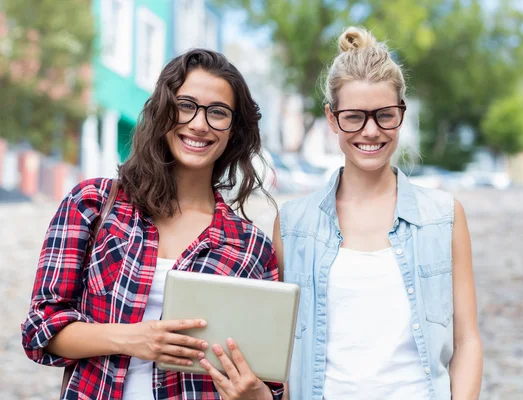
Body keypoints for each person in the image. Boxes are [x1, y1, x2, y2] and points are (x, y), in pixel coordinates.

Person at [22, 48, 283, 400]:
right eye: (186, 105)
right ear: (163, 111)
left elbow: (270, 379)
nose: (199, 124)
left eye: (218, 113)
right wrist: (134, 339)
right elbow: (40, 330)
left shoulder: (252, 248)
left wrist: (260, 396)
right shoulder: (93, 204)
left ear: (234, 130)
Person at [273, 27, 483, 400]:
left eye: (385, 115)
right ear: (332, 118)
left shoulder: (445, 216)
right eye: (354, 117)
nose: (370, 131)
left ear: (401, 114)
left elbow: (466, 341)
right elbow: (282, 351)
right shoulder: (292, 224)